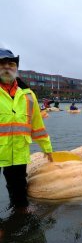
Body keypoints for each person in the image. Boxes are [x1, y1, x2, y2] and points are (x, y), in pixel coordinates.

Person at [0, 48, 53, 208]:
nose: (7, 67)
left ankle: (20, 214)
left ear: (16, 68)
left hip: (18, 151)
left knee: (18, 189)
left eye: (11, 64)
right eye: (2, 64)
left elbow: (37, 125)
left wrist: (47, 147)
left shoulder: (29, 95)